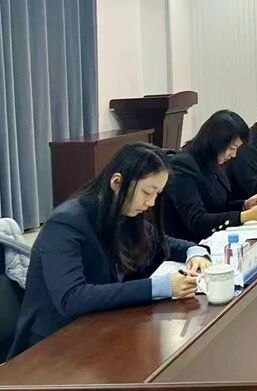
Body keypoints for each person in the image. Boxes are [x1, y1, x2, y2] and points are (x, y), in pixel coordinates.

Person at [7, 143, 211, 360]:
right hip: (52, 345)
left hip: (100, 327)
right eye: (147, 192)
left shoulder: (126, 213)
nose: (151, 203)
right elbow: (72, 298)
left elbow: (162, 243)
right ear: (117, 182)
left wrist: (195, 252)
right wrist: (160, 287)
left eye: (157, 194)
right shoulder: (66, 223)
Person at [163, 110, 257, 242]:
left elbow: (217, 207)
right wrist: (245, 216)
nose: (233, 155)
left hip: (215, 239)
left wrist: (245, 205)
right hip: (190, 246)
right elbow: (197, 221)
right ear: (216, 143)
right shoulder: (182, 165)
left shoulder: (212, 162)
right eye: (232, 148)